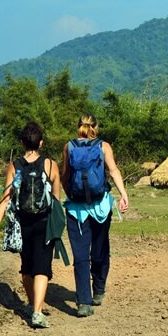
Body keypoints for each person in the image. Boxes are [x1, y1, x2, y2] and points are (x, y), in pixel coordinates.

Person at [0, 121, 61, 329]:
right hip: (44, 222)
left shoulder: (14, 166)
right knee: (42, 267)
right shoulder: (51, 165)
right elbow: (56, 199)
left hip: (22, 224)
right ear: (41, 142)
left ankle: (31, 305)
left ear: (21, 142)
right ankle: (37, 312)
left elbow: (6, 198)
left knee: (27, 267)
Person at [61, 113, 129, 318]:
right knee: (100, 249)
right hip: (100, 208)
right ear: (95, 128)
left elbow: (65, 176)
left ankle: (84, 303)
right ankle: (98, 289)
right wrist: (123, 194)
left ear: (78, 127)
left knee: (80, 256)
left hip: (76, 210)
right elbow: (114, 170)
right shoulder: (103, 146)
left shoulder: (69, 146)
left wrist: (71, 195)